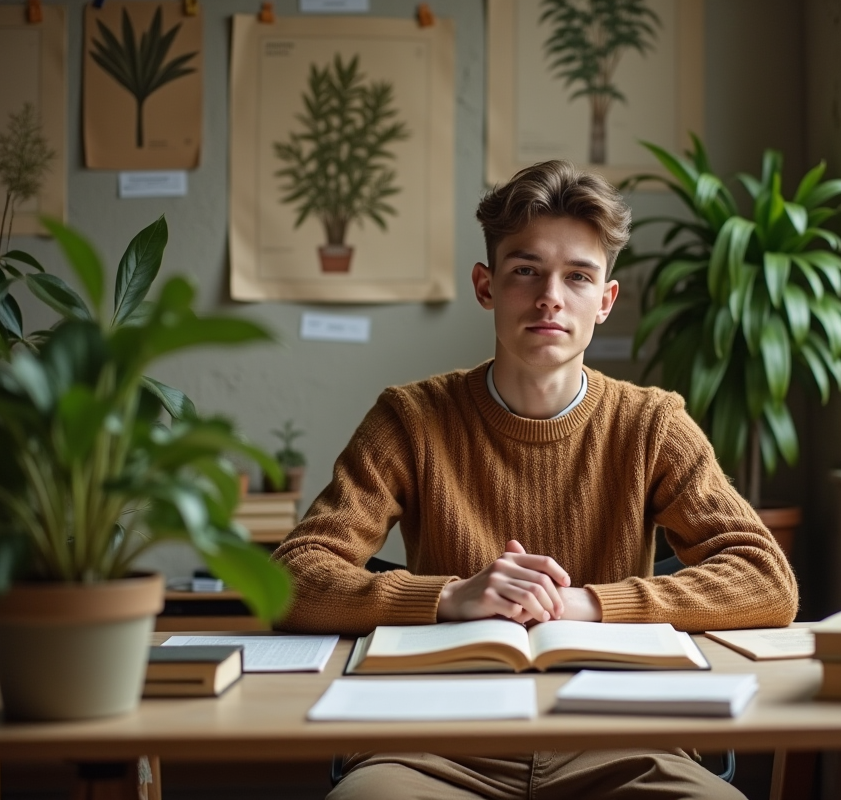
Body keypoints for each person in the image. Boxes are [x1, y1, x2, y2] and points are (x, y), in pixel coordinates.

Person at [272, 160, 799, 800]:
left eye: (577, 276)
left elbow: (766, 578)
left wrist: (589, 607)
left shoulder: (651, 423)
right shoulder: (410, 419)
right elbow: (295, 574)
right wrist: (450, 598)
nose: (551, 295)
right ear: (486, 285)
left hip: (626, 740)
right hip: (430, 742)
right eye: (526, 270)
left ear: (605, 300)